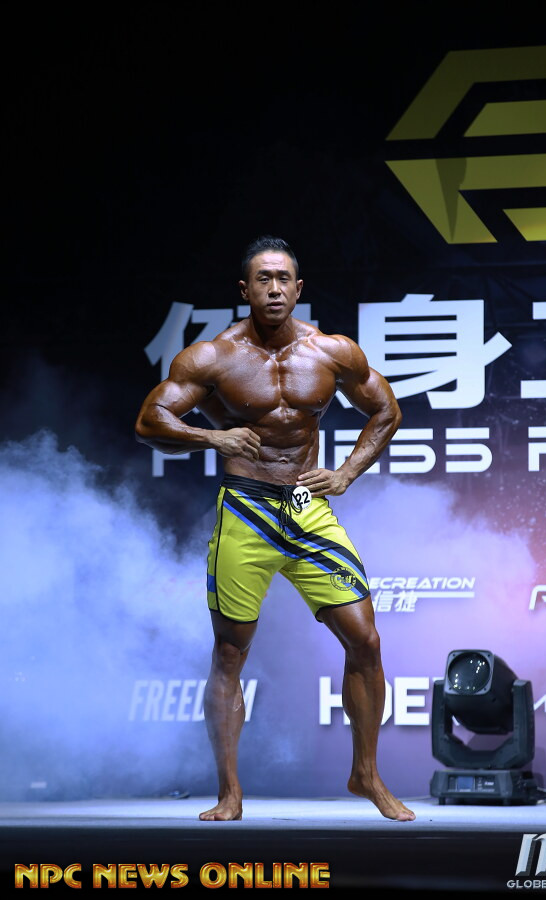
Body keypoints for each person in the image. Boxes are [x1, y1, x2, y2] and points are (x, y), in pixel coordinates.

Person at [135, 236, 415, 823]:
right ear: (245, 289)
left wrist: (347, 472)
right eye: (262, 279)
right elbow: (150, 420)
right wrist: (211, 436)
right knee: (230, 652)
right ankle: (230, 792)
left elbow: (386, 410)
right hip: (245, 508)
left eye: (283, 278)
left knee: (365, 641)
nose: (274, 289)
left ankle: (365, 774)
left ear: (299, 287)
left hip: (308, 507)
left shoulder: (330, 350)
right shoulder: (213, 357)